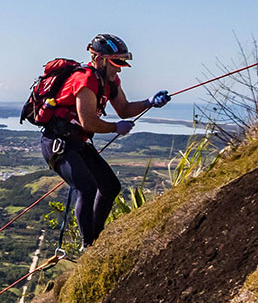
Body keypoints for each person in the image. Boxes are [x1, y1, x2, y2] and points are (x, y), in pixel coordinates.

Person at [39, 34, 171, 252]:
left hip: (77, 142)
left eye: (122, 63)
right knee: (87, 187)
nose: (120, 69)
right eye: (116, 62)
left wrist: (149, 103)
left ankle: (97, 238)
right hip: (58, 143)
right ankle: (88, 245)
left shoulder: (110, 82)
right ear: (99, 59)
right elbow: (88, 121)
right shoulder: (85, 79)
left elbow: (125, 109)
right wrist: (114, 128)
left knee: (110, 186)